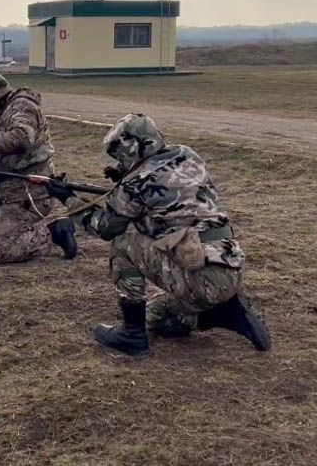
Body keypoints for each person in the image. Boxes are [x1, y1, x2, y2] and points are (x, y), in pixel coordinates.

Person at [46, 113, 271, 356]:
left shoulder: (134, 184)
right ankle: (222, 314)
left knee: (123, 243)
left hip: (202, 281)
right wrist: (125, 180)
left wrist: (67, 198)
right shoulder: (187, 154)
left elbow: (106, 228)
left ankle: (132, 334)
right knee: (154, 315)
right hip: (229, 266)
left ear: (130, 147)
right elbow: (168, 192)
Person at [0, 71, 77, 264]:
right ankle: (6, 228)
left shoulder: (22, 106)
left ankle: (53, 234)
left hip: (28, 194)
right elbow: (11, 153)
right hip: (10, 188)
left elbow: (21, 139)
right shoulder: (12, 110)